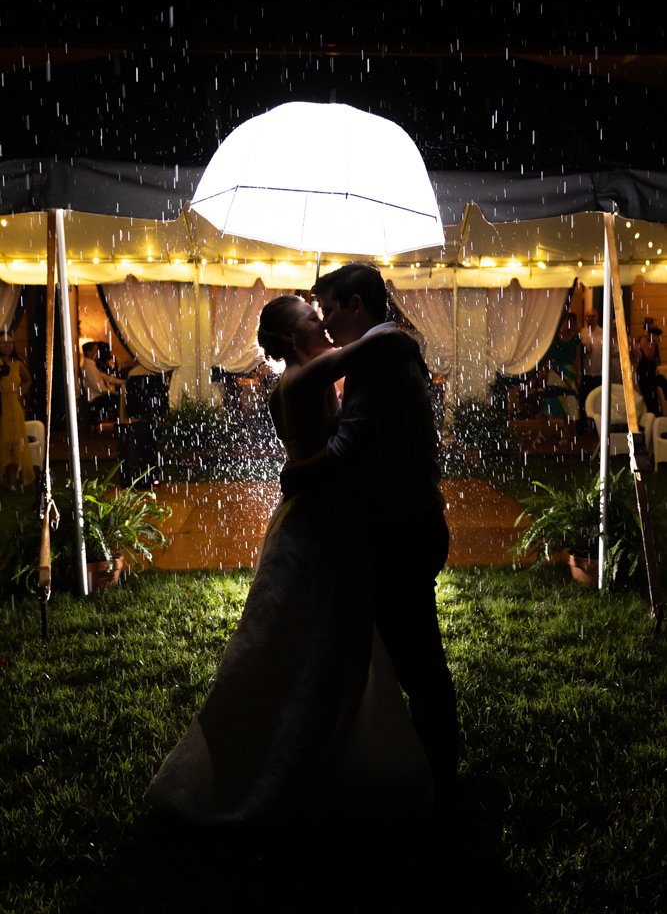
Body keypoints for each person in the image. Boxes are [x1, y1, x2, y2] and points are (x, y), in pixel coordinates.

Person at [146, 294, 434, 827]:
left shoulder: (293, 383)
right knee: (320, 631)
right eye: (312, 318)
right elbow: (373, 351)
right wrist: (388, 328)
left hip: (313, 510)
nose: (322, 322)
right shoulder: (303, 378)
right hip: (320, 519)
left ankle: (327, 742)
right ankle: (305, 755)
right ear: (288, 339)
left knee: (315, 631)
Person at [282, 263, 458, 803]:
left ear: (357, 304)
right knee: (413, 652)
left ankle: (437, 774)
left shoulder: (381, 357)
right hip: (410, 521)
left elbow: (348, 449)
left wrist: (296, 473)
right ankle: (426, 763)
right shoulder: (382, 350)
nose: (326, 320)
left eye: (330, 307)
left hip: (401, 530)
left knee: (417, 658)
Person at [538, 310, 581, 444]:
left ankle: (566, 434)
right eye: (566, 322)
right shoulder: (554, 338)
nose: (568, 325)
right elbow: (548, 356)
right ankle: (541, 434)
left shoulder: (576, 339)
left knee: (568, 404)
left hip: (568, 373)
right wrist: (544, 371)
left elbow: (577, 359)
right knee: (547, 404)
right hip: (554, 373)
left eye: (571, 322)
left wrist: (579, 375)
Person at [0, 332, 35, 491]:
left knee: (14, 443)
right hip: (1, 405)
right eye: (3, 343)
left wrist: (19, 393)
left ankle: (11, 481)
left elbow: (28, 379)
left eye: (10, 343)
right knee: (3, 443)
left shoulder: (17, 364)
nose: (7, 346)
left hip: (14, 407)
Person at [80, 340, 125, 423]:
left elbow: (107, 378)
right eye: (96, 350)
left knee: (121, 396)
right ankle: (121, 421)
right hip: (96, 400)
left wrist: (123, 382)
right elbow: (99, 389)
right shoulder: (88, 368)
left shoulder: (92, 365)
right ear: (89, 352)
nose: (98, 352)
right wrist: (114, 392)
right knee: (120, 398)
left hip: (99, 397)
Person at [635, 317, 663, 415]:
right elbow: (648, 356)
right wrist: (654, 342)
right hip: (644, 374)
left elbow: (657, 360)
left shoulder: (652, 338)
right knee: (650, 400)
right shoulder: (644, 339)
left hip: (651, 372)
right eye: (654, 326)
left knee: (661, 382)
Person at [580, 307, 603, 425]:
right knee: (584, 399)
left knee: (598, 401)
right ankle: (583, 425)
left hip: (600, 372)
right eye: (588, 316)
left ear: (597, 318)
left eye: (593, 316)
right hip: (586, 372)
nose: (590, 319)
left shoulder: (603, 332)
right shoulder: (582, 333)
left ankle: (596, 425)